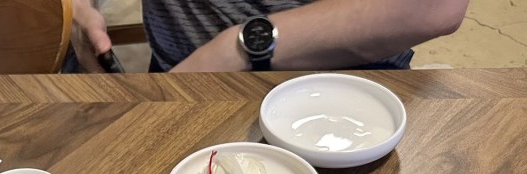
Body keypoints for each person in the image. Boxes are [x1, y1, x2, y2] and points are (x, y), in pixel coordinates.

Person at [71, 0, 469, 73]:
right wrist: (74, 7)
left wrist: (237, 48)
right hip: (178, 81)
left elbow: (434, 7)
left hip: (352, 86)